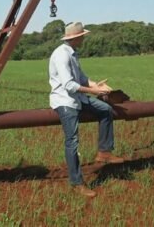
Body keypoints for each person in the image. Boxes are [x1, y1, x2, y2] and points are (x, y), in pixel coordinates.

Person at [49, 21, 124, 198]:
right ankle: (77, 182)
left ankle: (104, 152)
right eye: (82, 35)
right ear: (76, 37)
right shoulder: (62, 55)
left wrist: (96, 85)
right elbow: (68, 85)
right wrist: (94, 91)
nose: (84, 38)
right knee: (72, 141)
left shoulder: (73, 53)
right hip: (65, 102)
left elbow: (81, 78)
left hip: (79, 98)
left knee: (105, 110)